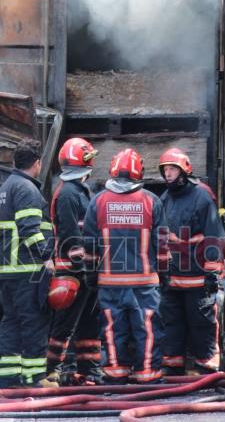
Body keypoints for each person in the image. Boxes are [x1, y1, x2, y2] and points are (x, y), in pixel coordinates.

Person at [83, 148, 167, 384]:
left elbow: (89, 245)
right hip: (145, 283)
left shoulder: (98, 201)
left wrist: (90, 275)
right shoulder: (152, 201)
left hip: (109, 284)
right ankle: (147, 374)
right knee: (147, 329)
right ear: (139, 172)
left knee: (112, 329)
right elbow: (162, 245)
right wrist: (165, 274)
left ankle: (115, 374)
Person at [157, 148, 225, 375]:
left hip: (197, 276)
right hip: (172, 278)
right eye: (165, 170)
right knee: (172, 323)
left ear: (184, 170)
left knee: (201, 323)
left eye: (172, 169)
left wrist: (212, 273)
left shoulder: (202, 197)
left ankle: (206, 366)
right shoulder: (165, 199)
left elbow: (214, 235)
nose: (168, 174)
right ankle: (173, 366)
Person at [0, 139, 57, 388]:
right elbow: (30, 229)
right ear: (38, 163)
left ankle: (9, 377)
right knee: (33, 322)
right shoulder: (27, 189)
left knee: (11, 321)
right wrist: (47, 258)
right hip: (27, 270)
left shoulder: (6, 187)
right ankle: (34, 377)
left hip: (7, 271)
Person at [45, 138, 105, 385]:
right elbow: (71, 236)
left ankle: (88, 370)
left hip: (86, 271)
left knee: (89, 325)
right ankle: (52, 371)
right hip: (74, 272)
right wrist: (83, 268)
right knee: (65, 325)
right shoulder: (69, 193)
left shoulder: (80, 190)